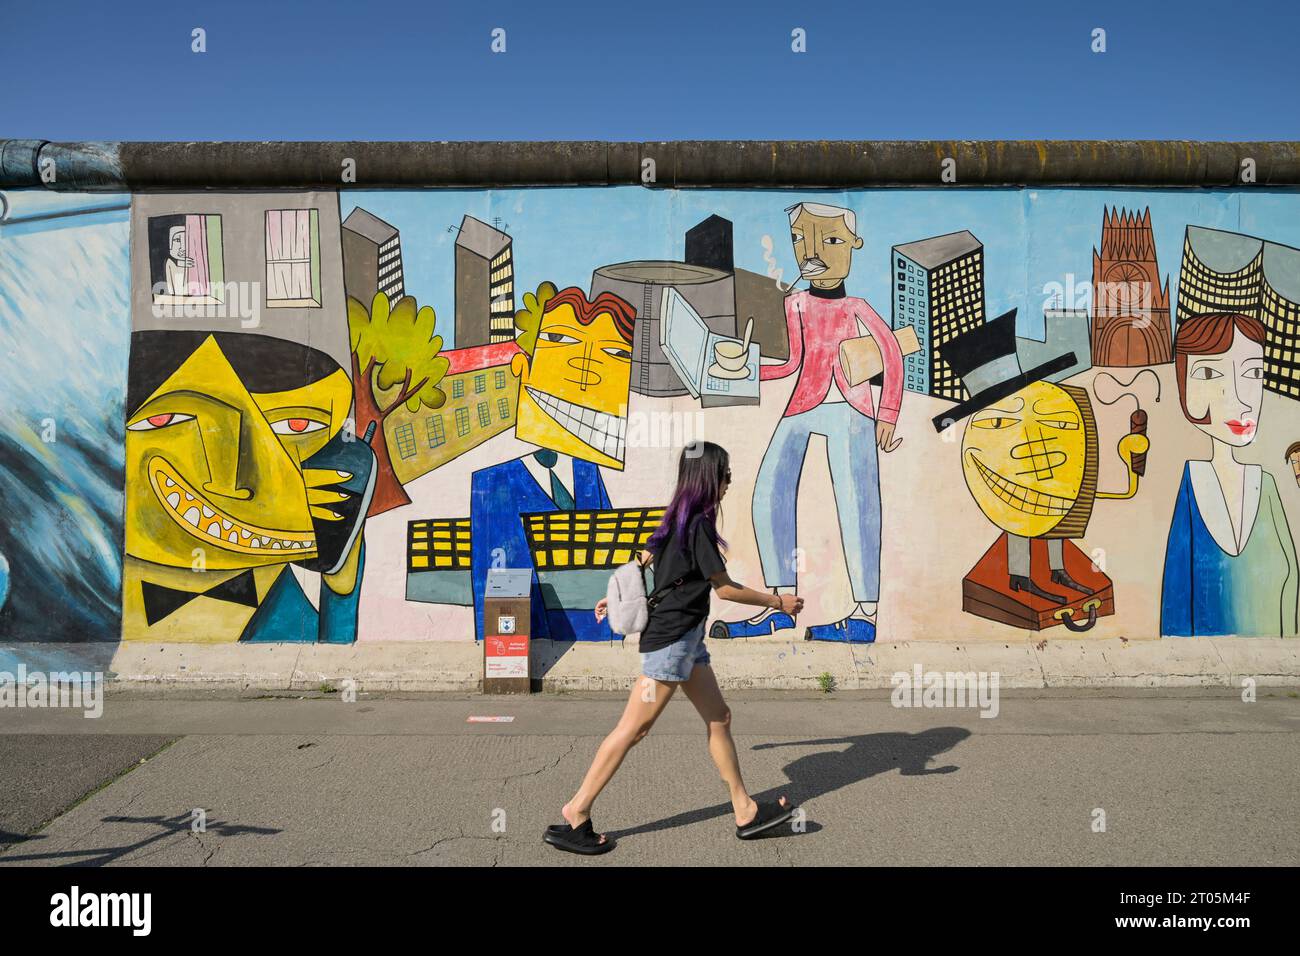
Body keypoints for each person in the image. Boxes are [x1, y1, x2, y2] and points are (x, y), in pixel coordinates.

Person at [544, 441, 805, 854]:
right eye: (725, 475)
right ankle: (576, 811)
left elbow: (647, 563)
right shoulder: (696, 524)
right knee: (634, 729)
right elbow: (725, 589)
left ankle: (745, 810)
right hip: (671, 645)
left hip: (687, 642)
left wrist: (614, 598)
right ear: (708, 478)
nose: (728, 483)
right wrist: (779, 602)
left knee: (719, 717)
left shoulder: (675, 519)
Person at [726, 202, 903, 643]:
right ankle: (781, 604)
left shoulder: (858, 306)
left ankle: (865, 614)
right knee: (770, 490)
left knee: (857, 502)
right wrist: (744, 370)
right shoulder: (797, 304)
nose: (813, 252)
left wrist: (888, 413)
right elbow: (789, 364)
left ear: (855, 246)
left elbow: (892, 355)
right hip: (804, 401)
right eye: (802, 239)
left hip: (852, 406)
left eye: (831, 240)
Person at [1160, 313, 1298, 637]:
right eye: (1209, 373)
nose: (1238, 397)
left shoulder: (1266, 485)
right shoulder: (1192, 481)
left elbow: (1291, 579)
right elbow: (1176, 595)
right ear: (1184, 387)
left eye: (1252, 372)